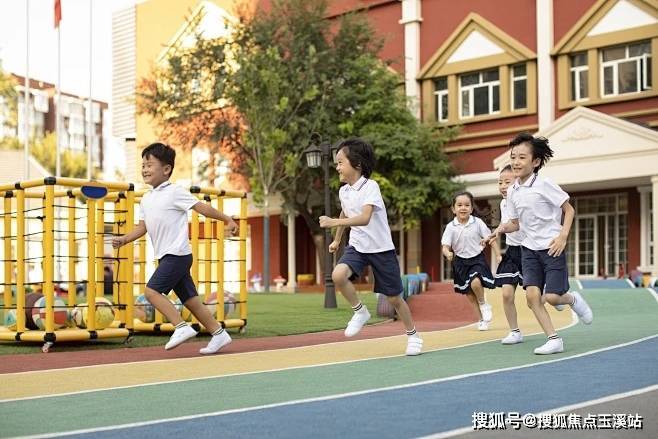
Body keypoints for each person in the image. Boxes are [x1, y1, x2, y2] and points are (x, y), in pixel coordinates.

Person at [112, 142, 239, 355]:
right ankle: (219, 334)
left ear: (166, 169)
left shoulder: (175, 192)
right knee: (191, 301)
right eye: (143, 165)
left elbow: (202, 208)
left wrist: (227, 219)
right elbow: (142, 227)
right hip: (166, 257)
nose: (145, 169)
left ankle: (181, 327)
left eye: (150, 165)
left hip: (178, 255)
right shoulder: (146, 199)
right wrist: (125, 239)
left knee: (151, 292)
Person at [488, 132, 593, 355]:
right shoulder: (513, 191)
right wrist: (499, 230)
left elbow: (569, 210)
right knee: (532, 297)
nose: (516, 162)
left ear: (535, 162)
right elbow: (515, 223)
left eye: (522, 157)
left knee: (553, 297)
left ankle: (572, 299)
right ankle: (554, 339)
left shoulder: (544, 184)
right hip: (529, 250)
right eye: (513, 157)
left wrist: (563, 236)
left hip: (551, 248)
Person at [319, 138, 422, 356]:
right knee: (338, 275)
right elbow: (345, 212)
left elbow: (365, 218)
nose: (337, 167)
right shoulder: (344, 191)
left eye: (340, 162)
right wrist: (337, 239)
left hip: (381, 249)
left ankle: (413, 335)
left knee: (394, 298)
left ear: (356, 164)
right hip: (358, 246)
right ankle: (360, 311)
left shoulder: (371, 187)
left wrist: (333, 223)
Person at [441, 191, 497, 331]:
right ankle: (481, 320)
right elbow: (445, 246)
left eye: (467, 205)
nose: (463, 208)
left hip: (477, 259)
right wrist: (448, 253)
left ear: (471, 209)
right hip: (460, 262)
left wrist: (498, 255)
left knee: (476, 282)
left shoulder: (477, 223)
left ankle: (484, 304)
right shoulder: (450, 227)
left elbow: (490, 238)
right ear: (453, 209)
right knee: (470, 295)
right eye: (459, 205)